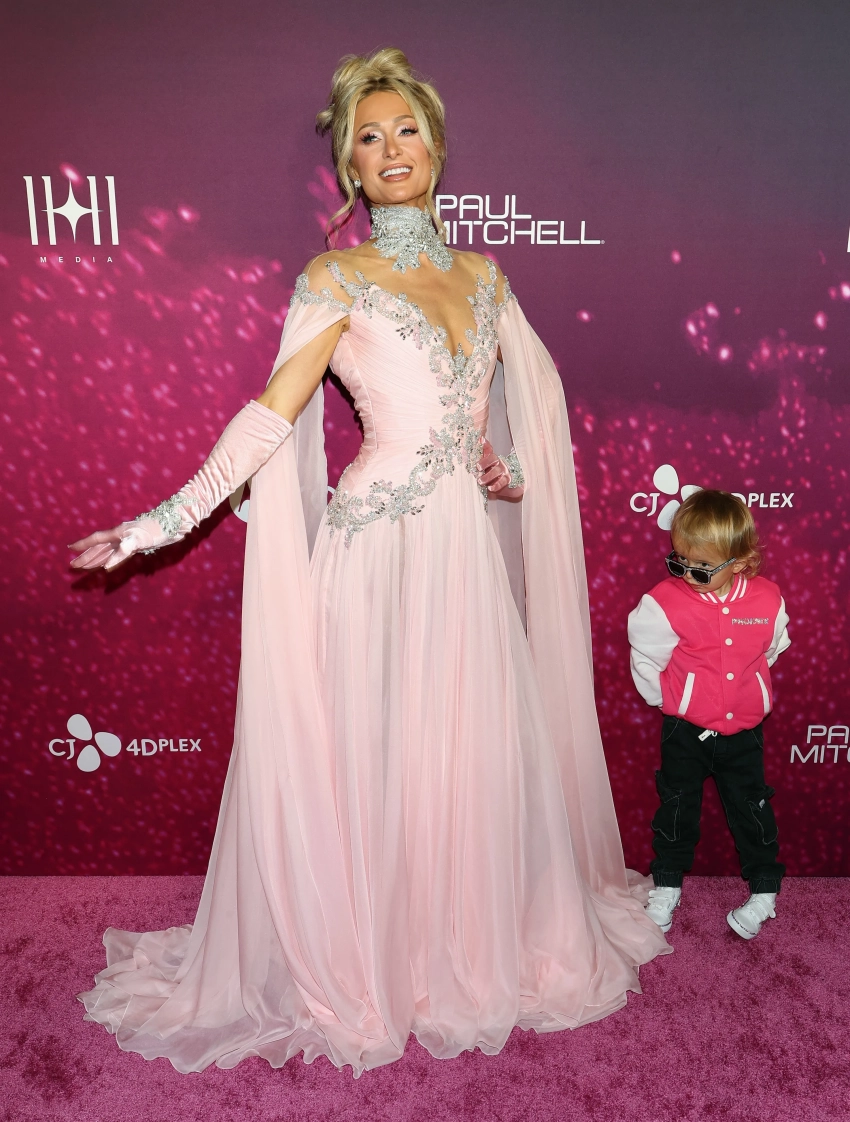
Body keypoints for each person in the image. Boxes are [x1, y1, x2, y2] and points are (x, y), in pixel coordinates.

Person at [70, 48, 670, 1076]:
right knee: (372, 751)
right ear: (348, 164)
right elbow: (273, 412)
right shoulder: (334, 278)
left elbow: (512, 426)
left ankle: (453, 945)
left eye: (406, 130)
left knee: (462, 752)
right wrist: (162, 521)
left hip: (460, 554)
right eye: (368, 136)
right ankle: (369, 955)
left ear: (436, 148)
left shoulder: (485, 278)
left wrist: (501, 470)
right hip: (376, 546)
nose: (391, 149)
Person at [628, 490, 790, 940]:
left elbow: (772, 649)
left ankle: (764, 891)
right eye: (679, 561)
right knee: (676, 809)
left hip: (744, 734)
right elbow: (646, 658)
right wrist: (673, 701)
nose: (686, 573)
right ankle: (666, 885)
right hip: (685, 731)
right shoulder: (664, 602)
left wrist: (745, 690)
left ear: (740, 563)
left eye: (701, 567)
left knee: (752, 810)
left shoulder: (767, 600)